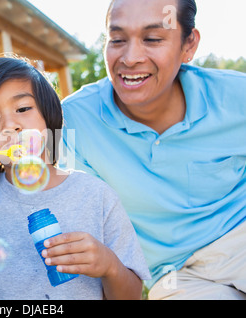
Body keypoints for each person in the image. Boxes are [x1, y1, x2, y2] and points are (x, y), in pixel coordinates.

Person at [0, 55, 150, 300]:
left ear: (49, 115)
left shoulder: (96, 194)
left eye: (23, 109)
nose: (9, 125)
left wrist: (109, 266)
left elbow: (132, 296)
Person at [61, 0, 246, 299]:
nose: (131, 58)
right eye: (117, 40)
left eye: (153, 39)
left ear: (189, 46)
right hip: (177, 276)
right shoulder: (73, 122)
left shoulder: (236, 97)